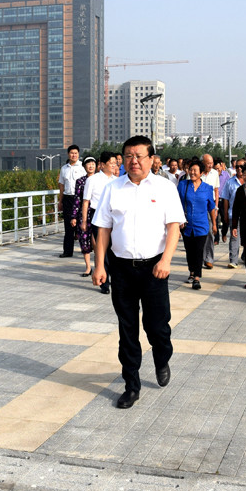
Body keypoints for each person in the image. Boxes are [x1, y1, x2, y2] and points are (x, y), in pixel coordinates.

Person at [92, 136, 186, 409]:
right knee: (127, 329)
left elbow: (173, 228)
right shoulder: (113, 188)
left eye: (139, 156)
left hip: (155, 268)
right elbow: (103, 230)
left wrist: (166, 261)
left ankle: (162, 357)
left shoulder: (165, 187)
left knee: (157, 327)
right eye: (129, 156)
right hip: (121, 268)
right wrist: (99, 266)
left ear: (151, 159)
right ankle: (131, 385)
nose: (134, 161)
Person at [82, 152, 119, 294]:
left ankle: (114, 278)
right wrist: (84, 221)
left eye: (115, 163)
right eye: (111, 163)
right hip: (97, 216)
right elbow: (86, 201)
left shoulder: (117, 181)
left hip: (114, 217)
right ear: (102, 164)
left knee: (113, 249)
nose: (114, 166)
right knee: (101, 249)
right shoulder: (93, 180)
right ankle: (105, 283)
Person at [177, 160, 216, 290]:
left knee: (199, 250)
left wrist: (214, 224)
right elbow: (177, 205)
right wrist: (178, 221)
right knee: (189, 251)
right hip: (186, 225)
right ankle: (192, 272)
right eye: (191, 170)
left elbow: (211, 207)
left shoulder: (207, 188)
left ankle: (197, 277)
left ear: (201, 173)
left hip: (202, 224)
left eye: (195, 170)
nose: (192, 172)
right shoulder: (183, 185)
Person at [57, 145, 85, 258]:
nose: (74, 155)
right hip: (68, 199)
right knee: (68, 227)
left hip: (80, 199)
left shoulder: (83, 167)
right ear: (68, 154)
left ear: (78, 154)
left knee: (82, 225)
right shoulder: (64, 168)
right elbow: (61, 186)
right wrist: (60, 201)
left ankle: (86, 250)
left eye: (76, 153)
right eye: (72, 153)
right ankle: (67, 251)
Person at [71, 157, 97, 276]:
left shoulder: (100, 179)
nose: (91, 166)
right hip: (84, 214)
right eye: (88, 164)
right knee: (84, 239)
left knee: (97, 241)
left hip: (97, 213)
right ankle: (88, 267)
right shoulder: (80, 181)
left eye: (93, 164)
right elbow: (77, 200)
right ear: (84, 166)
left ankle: (99, 266)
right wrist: (74, 217)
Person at [220, 159, 246, 268]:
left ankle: (245, 255)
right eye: (237, 166)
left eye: (242, 166)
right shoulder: (230, 182)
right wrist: (225, 215)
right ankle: (233, 260)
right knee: (234, 237)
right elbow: (226, 199)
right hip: (234, 215)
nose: (239, 168)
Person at [200, 154, 220, 269]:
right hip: (199, 205)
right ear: (203, 162)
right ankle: (200, 256)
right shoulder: (197, 172)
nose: (210, 165)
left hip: (210, 205)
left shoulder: (215, 173)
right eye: (208, 163)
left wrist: (216, 207)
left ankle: (209, 258)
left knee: (210, 232)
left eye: (211, 163)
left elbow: (216, 191)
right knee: (200, 233)